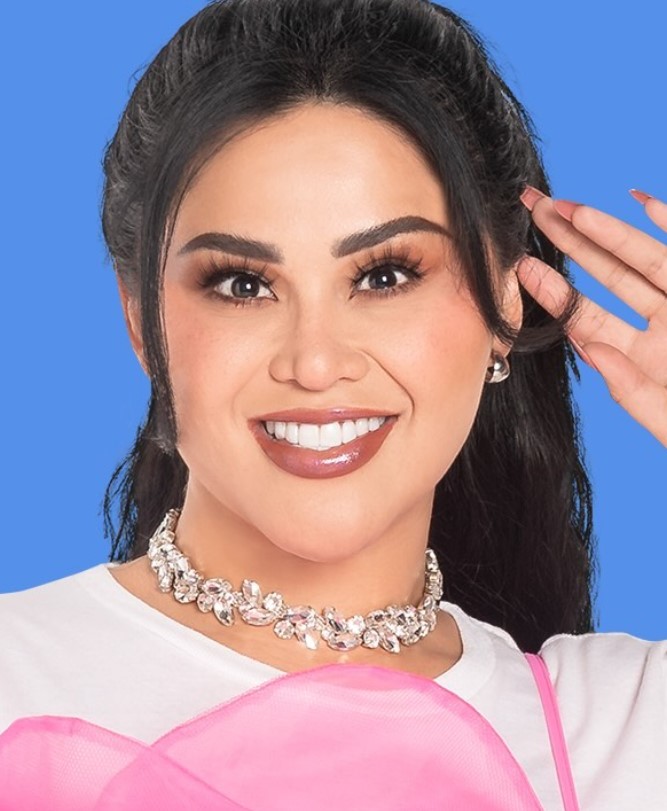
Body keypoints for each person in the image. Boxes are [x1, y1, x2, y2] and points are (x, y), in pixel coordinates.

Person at [0, 0, 665, 808]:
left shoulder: (621, 734)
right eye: (241, 285)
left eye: (384, 276)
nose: (314, 363)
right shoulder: (16, 669)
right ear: (142, 320)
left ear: (504, 299)